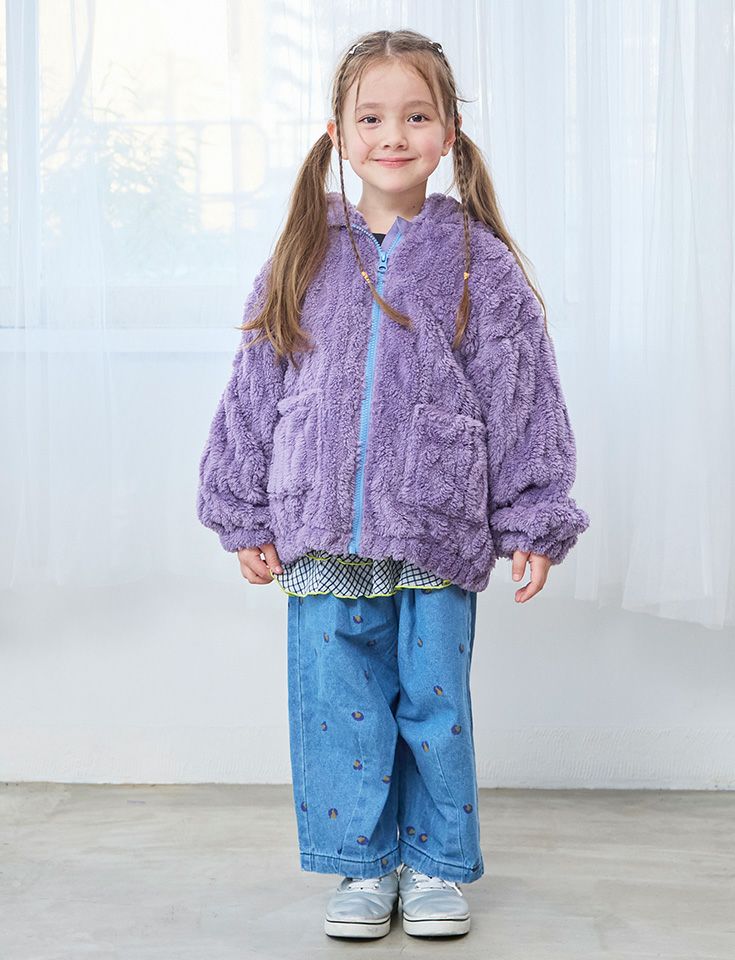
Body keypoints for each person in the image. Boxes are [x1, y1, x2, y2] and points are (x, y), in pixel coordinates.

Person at [196, 28, 590, 941]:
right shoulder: (302, 254)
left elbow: (523, 393)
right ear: (337, 132)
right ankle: (363, 866)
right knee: (340, 702)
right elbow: (255, 386)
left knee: (433, 703)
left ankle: (437, 863)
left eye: (416, 116)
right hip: (320, 523)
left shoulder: (480, 263)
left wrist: (533, 514)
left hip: (434, 522)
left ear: (448, 133)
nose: (393, 135)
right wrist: (243, 509)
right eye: (371, 118)